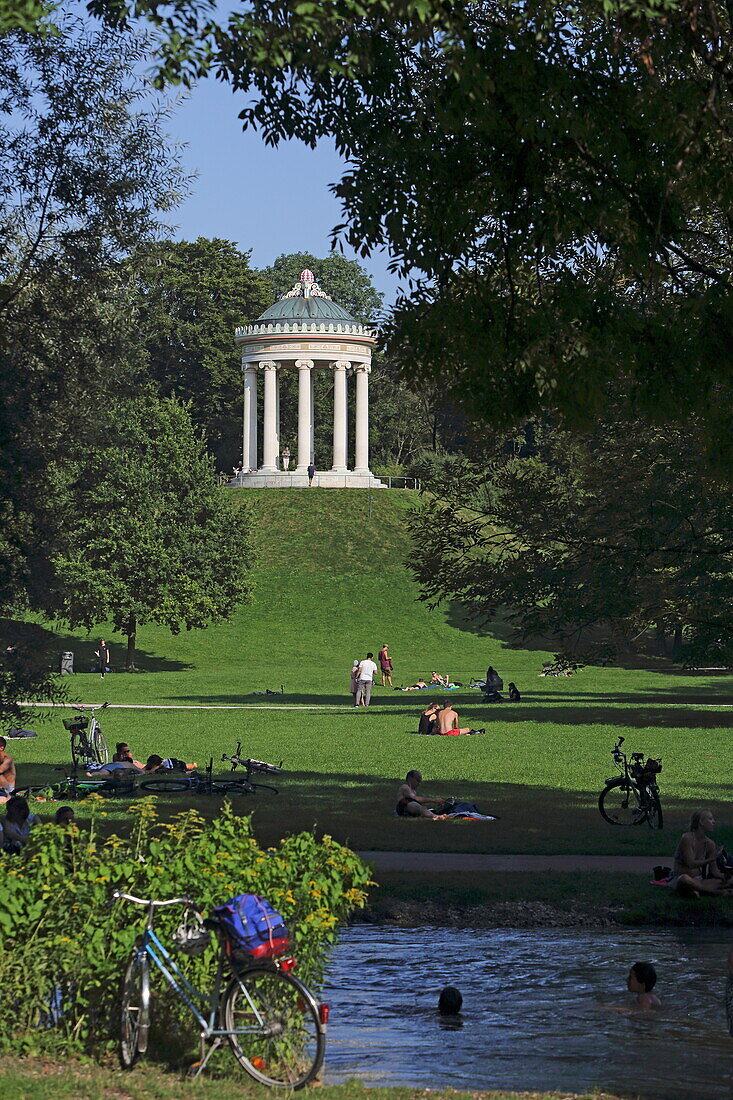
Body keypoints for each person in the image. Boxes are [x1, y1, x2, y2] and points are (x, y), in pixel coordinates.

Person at [672, 809, 732, 897]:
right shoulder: (687, 838)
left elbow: (714, 872)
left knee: (730, 880)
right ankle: (714, 892)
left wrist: (726, 876)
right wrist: (711, 859)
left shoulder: (710, 844)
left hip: (699, 881)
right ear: (701, 822)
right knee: (684, 880)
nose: (714, 822)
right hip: (681, 878)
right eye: (710, 819)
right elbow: (691, 864)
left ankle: (697, 890)